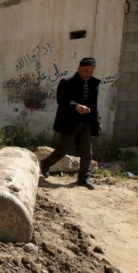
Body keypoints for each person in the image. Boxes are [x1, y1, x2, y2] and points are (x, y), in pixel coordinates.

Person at [40, 57, 101, 190]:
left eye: (91, 71)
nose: (88, 74)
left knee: (87, 151)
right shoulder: (66, 82)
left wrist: (97, 122)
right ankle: (46, 163)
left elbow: (93, 106)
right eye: (85, 71)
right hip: (69, 122)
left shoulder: (93, 84)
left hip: (87, 123)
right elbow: (62, 100)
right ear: (79, 68)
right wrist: (76, 106)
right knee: (65, 148)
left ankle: (83, 178)